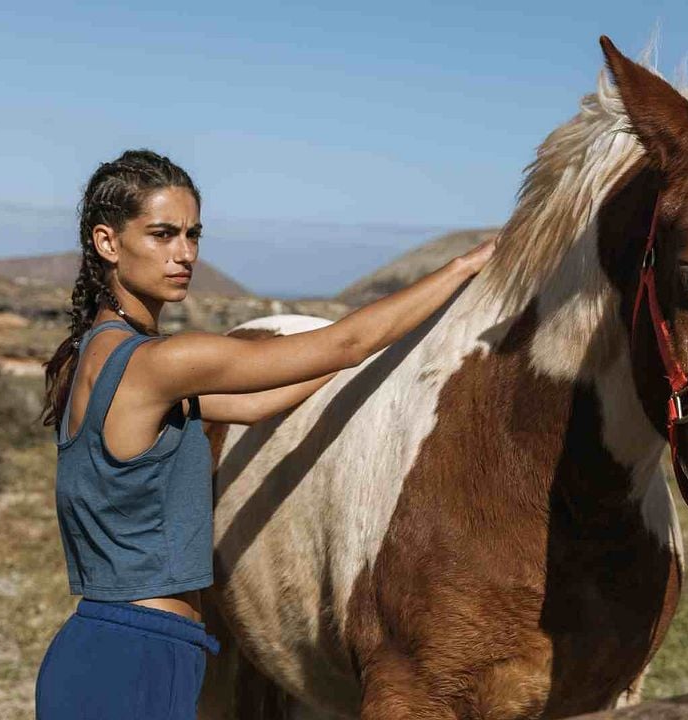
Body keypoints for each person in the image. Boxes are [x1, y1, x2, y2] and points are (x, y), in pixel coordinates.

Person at [34, 149, 495, 719]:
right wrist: (463, 269)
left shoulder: (101, 360)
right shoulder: (157, 364)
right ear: (108, 243)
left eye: (192, 234)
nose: (185, 254)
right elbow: (342, 342)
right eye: (161, 234)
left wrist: (364, 362)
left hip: (108, 647)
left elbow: (257, 403)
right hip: (137, 657)